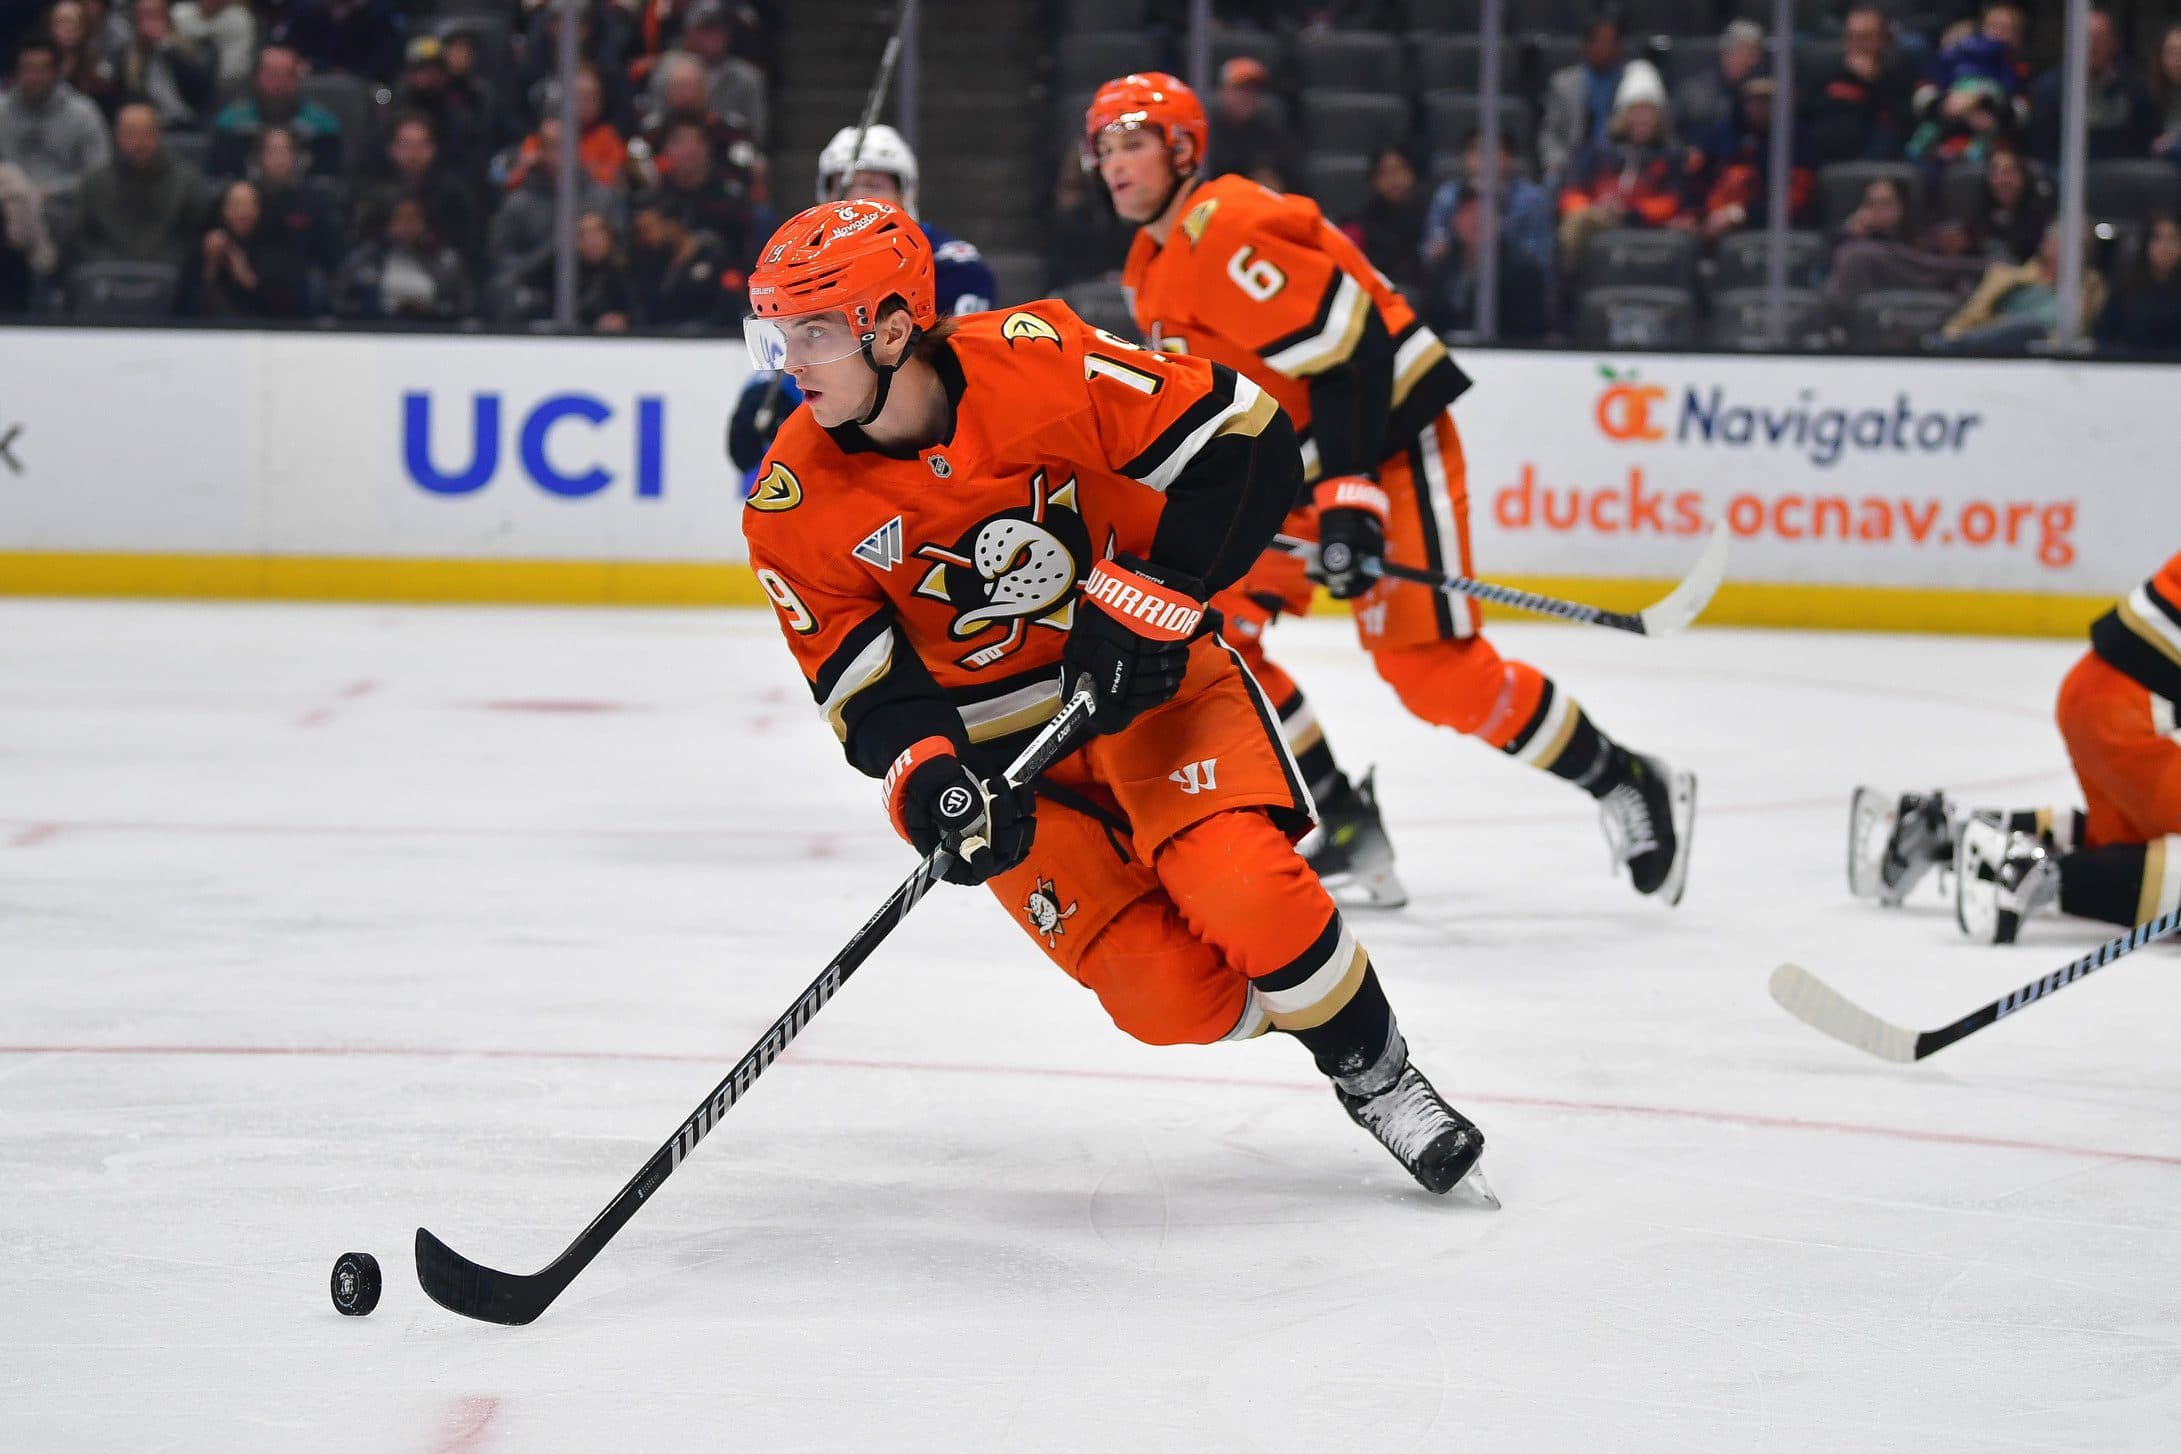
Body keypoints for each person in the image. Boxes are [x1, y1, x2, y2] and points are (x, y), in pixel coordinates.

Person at [739, 196, 1495, 1201]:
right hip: (1014, 765)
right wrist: (937, 788)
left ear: (889, 324)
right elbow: (864, 690)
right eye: (778, 333)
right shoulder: (787, 502)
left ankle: (1376, 1072)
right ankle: (1317, 1001)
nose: (792, 360)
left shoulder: (1035, 357)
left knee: (1247, 889)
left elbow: (1247, 441)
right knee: (1161, 995)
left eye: (815, 331)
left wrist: (1151, 596)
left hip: (1151, 692)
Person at [1092, 72, 1695, 910]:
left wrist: (1350, 495)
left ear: (1184, 148)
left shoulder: (1225, 228)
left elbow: (1357, 350)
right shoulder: (1149, 261)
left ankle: (1622, 775)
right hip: (1294, 468)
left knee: (1432, 677)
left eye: (1133, 144)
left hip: (1383, 442)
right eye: (1105, 149)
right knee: (1209, 630)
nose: (1114, 164)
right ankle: (1339, 817)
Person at [1850, 549, 2181, 943]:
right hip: (2124, 714)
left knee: (2134, 848)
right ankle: (2030, 873)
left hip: (2096, 695)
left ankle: (1945, 837)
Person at [728, 124, 995, 486]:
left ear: (906, 194)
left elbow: (966, 359)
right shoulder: (803, 266)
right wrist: (762, 392)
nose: (857, 199)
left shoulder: (951, 262)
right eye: (845, 186)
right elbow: (798, 341)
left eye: (873, 185)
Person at [1418, 129, 1555, 338]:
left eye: (1492, 151)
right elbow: (1430, 252)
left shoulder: (1531, 201)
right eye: (1476, 151)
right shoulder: (1448, 197)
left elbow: (1539, 261)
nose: (1483, 159)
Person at [1555, 61, 1687, 276]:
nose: (1642, 119)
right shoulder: (1599, 150)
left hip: (1645, 224)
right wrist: (1593, 208)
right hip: (1598, 217)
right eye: (1636, 112)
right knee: (1575, 223)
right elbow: (1571, 191)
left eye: (1649, 112)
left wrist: (1632, 212)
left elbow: (1671, 201)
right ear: (1624, 115)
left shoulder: (1669, 155)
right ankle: (1568, 282)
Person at [1931, 220, 2105, 352]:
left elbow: (2084, 326)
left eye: (2081, 247)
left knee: (2030, 326)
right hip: (1991, 348)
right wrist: (1953, 334)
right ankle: (1948, 346)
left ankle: (1949, 345)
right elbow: (1970, 315)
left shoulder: (2090, 285)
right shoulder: (2005, 276)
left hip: (2043, 351)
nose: (2074, 253)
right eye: (2066, 244)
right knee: (2023, 325)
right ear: (2046, 245)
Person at [71, 102, 206, 268]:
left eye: (146, 134)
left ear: (159, 135)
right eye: (130, 134)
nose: (139, 143)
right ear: (117, 138)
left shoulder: (187, 183)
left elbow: (197, 234)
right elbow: (80, 239)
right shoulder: (94, 183)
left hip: (171, 277)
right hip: (107, 277)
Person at [1689, 76, 1814, 243]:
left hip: (1767, 228)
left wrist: (1740, 214)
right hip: (1712, 222)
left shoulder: (1796, 139)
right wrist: (1695, 215)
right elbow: (1698, 181)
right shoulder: (1723, 134)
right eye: (1752, 100)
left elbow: (1793, 201)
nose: (1758, 108)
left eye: (1766, 101)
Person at [2028, 8, 2155, 165]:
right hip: (2065, 175)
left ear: (2114, 43)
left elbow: (2144, 142)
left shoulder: (2135, 88)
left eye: (2100, 38)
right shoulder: (2048, 88)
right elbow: (2042, 146)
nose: (2092, 45)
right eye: (2086, 38)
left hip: (2122, 177)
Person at [1803, 5, 1917, 167]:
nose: (1857, 44)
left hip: (1877, 162)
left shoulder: (1897, 73)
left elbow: (1902, 125)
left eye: (1865, 37)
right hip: (1824, 159)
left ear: (1882, 40)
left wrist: (1872, 82)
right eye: (1851, 37)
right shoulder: (1824, 71)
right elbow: (1810, 116)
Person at [0, 36, 113, 200]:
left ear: (57, 72)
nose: (34, 77)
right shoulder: (2, 110)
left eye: (41, 70)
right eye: (27, 69)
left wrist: (51, 192)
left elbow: (99, 172)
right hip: (8, 201)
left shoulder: (83, 113)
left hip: (66, 204)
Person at [182, 177, 311, 316]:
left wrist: (247, 278)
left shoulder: (278, 248)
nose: (242, 212)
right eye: (235, 205)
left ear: (258, 210)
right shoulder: (206, 246)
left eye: (248, 205)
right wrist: (210, 264)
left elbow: (291, 308)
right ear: (224, 210)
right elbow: (185, 307)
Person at [209, 45, 343, 177]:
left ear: (296, 80)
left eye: (285, 75)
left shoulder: (323, 125)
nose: (278, 84)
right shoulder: (231, 123)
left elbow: (327, 183)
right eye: (271, 75)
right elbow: (219, 179)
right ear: (256, 78)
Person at [331, 194, 472, 320]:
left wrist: (434, 311)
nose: (407, 227)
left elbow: (465, 304)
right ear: (389, 222)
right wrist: (375, 310)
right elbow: (338, 301)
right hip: (376, 331)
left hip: (433, 333)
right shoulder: (364, 258)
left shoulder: (445, 260)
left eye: (412, 219)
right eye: (400, 219)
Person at [1540, 14, 1632, 181]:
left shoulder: (1631, 81)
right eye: (1599, 41)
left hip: (1619, 166)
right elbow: (1550, 134)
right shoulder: (1563, 84)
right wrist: (1555, 164)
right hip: (1572, 164)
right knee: (1551, 184)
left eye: (1609, 42)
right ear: (1586, 45)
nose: (1604, 48)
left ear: (1619, 47)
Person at [103, 0, 216, 132]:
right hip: (145, 128)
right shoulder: (126, 56)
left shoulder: (189, 47)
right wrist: (143, 54)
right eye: (143, 16)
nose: (148, 23)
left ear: (167, 18)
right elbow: (123, 98)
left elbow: (201, 90)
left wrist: (166, 47)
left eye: (155, 16)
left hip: (188, 125)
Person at [1341, 146, 1425, 297]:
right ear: (1374, 180)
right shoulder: (1363, 221)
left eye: (1399, 170)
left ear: (1412, 173)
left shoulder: (1430, 213)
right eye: (1384, 173)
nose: (1393, 179)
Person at [1205, 56, 1299, 190]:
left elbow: (1287, 174)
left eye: (1253, 91)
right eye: (1241, 89)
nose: (1248, 96)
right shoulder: (1207, 129)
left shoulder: (1268, 130)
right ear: (1223, 91)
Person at [2095, 212, 2181, 352]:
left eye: (2173, 238)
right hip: (2130, 368)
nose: (2166, 246)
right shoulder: (2125, 288)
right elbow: (2103, 336)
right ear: (2146, 243)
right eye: (2158, 238)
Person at [1675, 19, 1764, 143]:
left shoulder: (1759, 95)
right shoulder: (1693, 93)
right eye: (1749, 52)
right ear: (1729, 51)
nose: (1754, 60)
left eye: (1757, 53)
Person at [169, 0, 255, 99]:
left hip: (224, 89)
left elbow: (237, 68)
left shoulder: (241, 20)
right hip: (177, 86)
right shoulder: (178, 14)